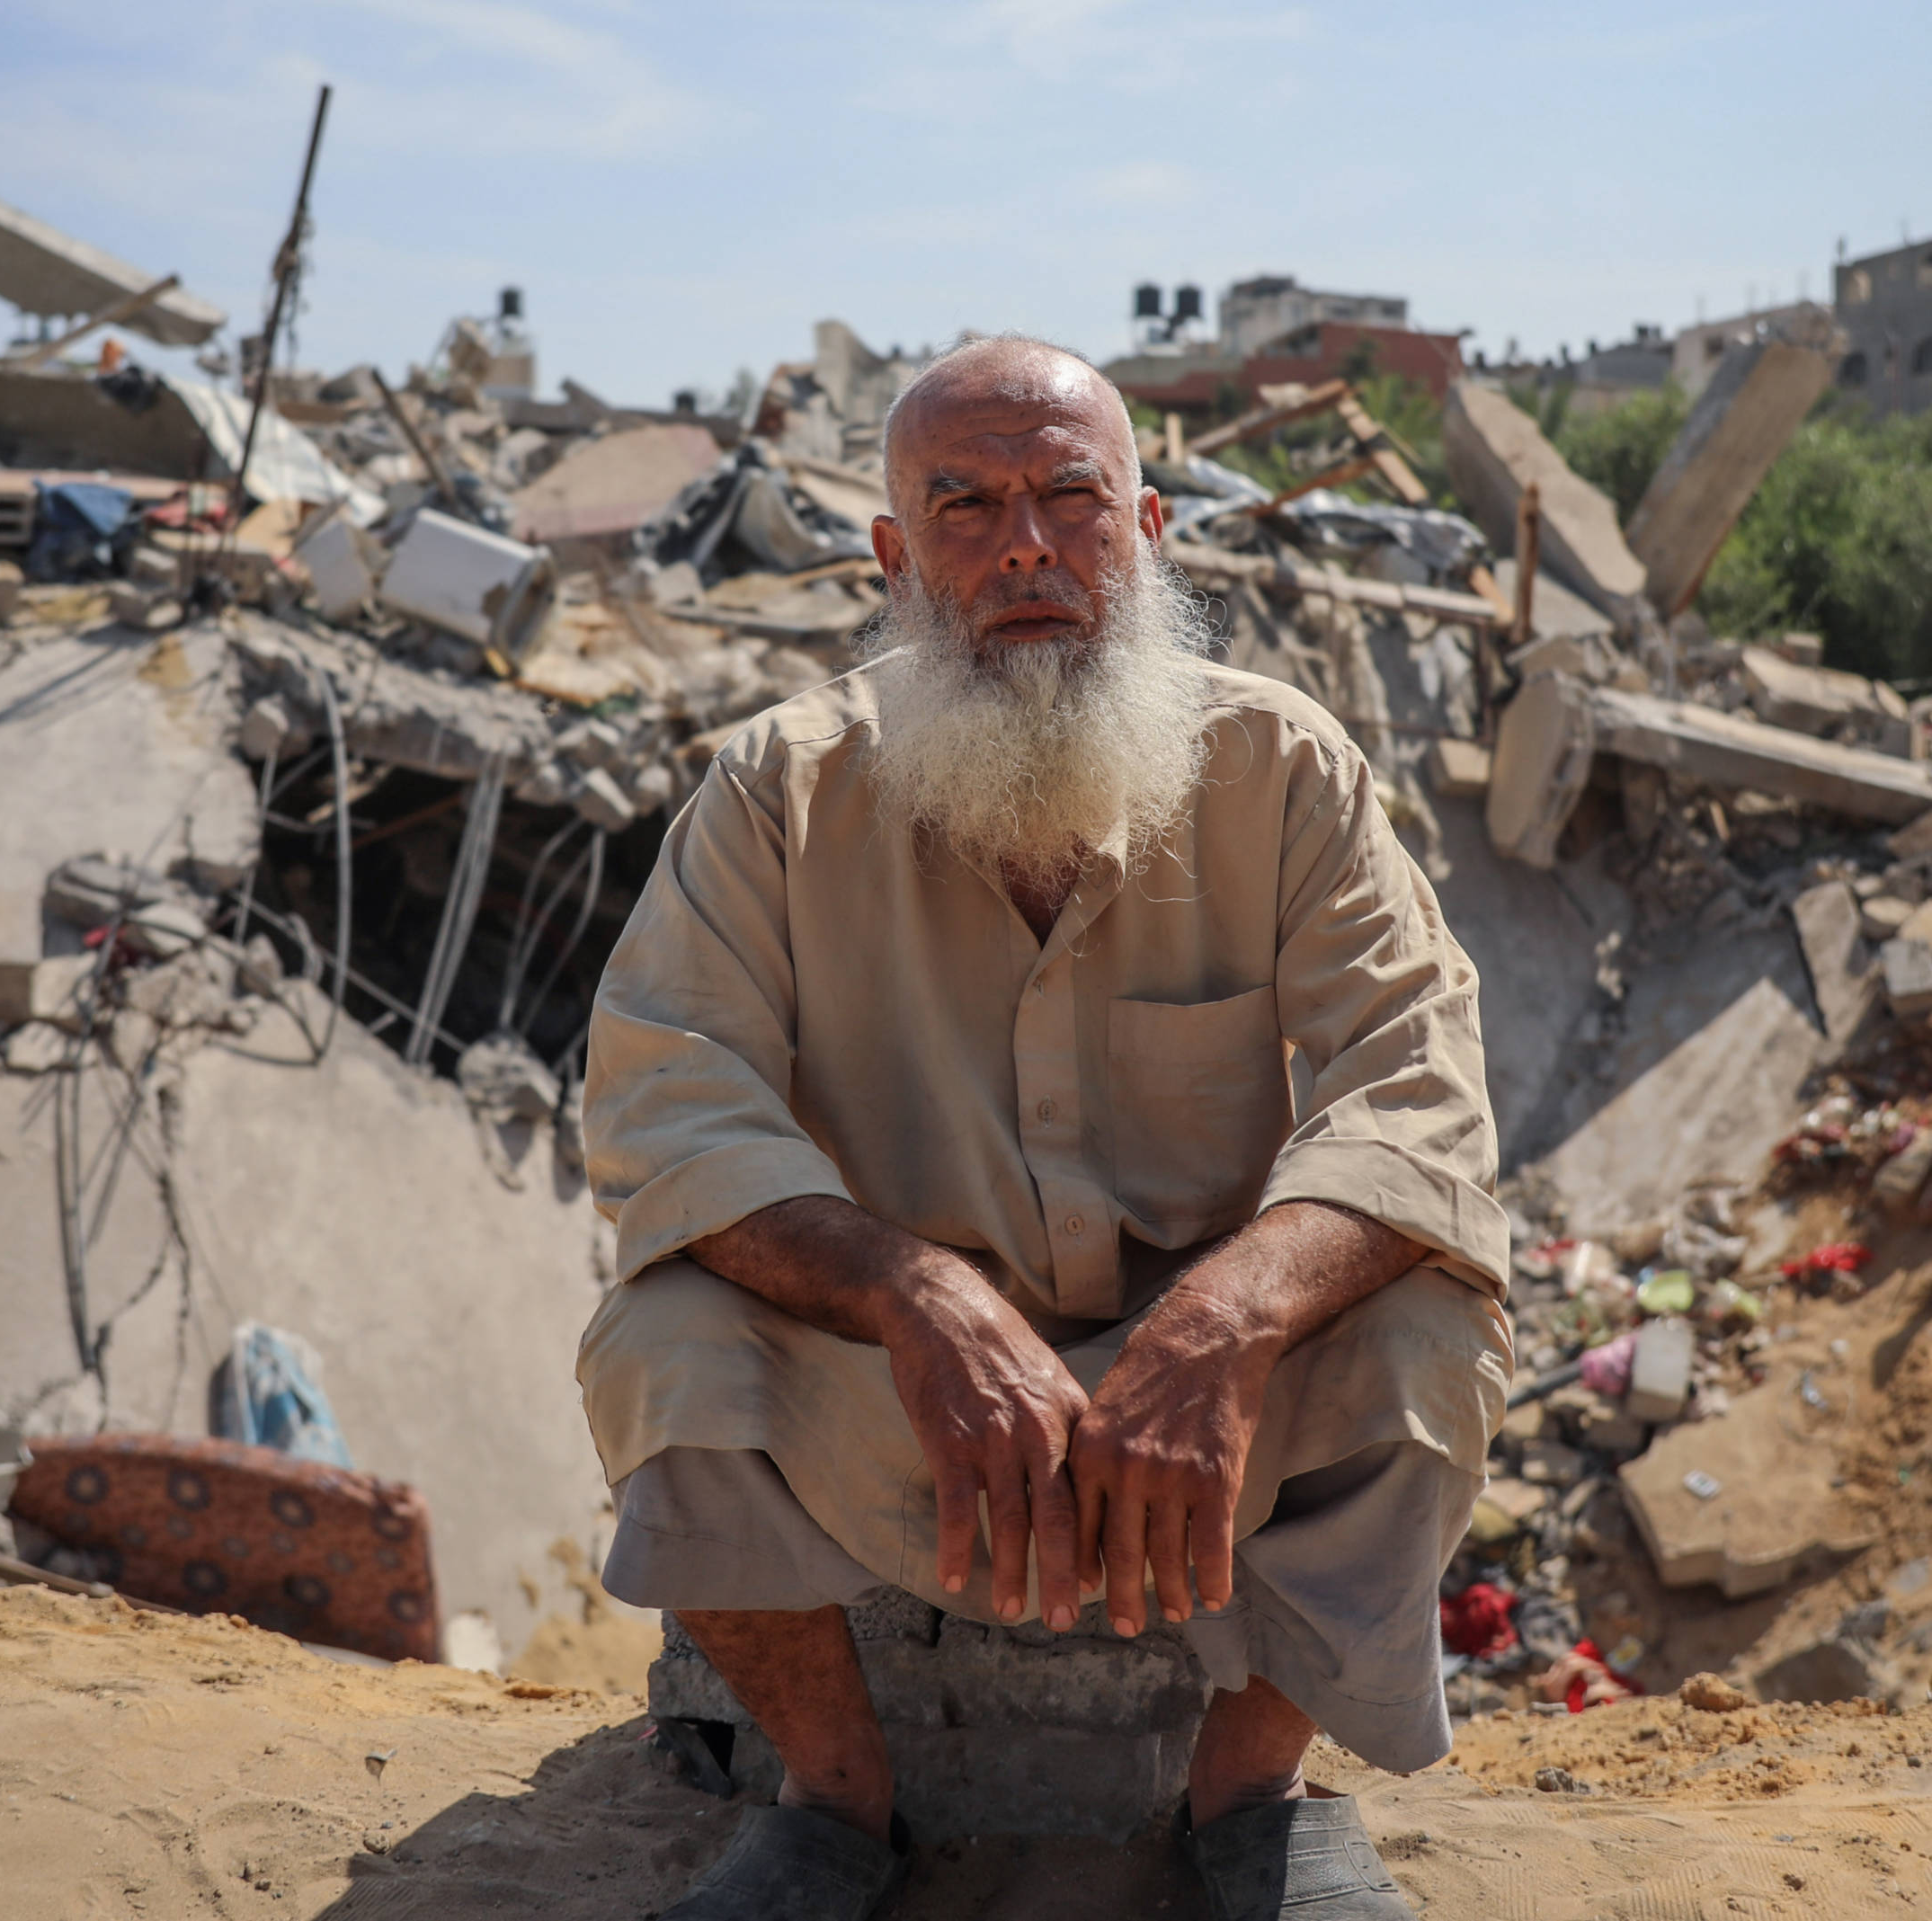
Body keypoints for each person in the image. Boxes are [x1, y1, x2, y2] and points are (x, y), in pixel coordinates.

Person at [577, 334, 1512, 1920]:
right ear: (891, 556)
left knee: (1432, 1325)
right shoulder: (778, 792)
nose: (1025, 545)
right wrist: (910, 1293)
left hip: (1217, 1406)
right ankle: (833, 1799)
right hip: (900, 1393)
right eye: (964, 505)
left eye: (1071, 497)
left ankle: (1250, 1796)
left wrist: (1229, 1312)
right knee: (665, 1332)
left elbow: (1416, 1092)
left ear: (1146, 532)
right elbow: (667, 1105)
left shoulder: (1282, 770)